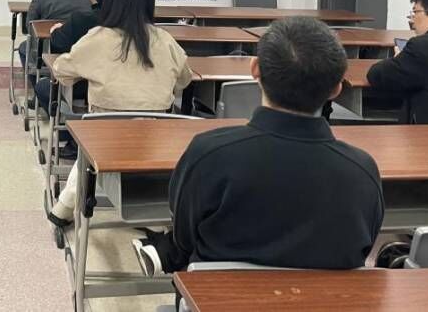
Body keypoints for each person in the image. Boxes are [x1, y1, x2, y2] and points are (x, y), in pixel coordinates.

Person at [131, 17, 384, 276]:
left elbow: (185, 238)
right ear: (337, 88)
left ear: (255, 69)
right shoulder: (362, 170)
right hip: (329, 298)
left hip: (218, 295)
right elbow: (362, 247)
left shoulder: (209, 154)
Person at [46, 0, 193, 227]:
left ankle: (63, 208)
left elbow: (61, 71)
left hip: (104, 142)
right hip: (157, 141)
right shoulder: (165, 40)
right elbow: (184, 79)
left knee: (90, 147)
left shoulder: (97, 39)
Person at [33, 0, 116, 156]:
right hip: (127, 96)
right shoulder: (139, 28)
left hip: (87, 87)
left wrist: (56, 31)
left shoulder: (83, 21)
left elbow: (58, 50)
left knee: (44, 86)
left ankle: (72, 137)